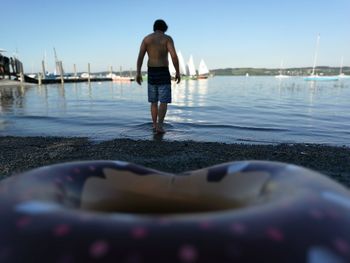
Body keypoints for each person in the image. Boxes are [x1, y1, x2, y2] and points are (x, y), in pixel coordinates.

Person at [136, 19, 180, 134]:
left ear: (154, 27)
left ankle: (154, 125)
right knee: (164, 101)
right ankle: (160, 126)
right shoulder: (167, 39)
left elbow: (140, 57)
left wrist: (138, 72)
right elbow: (174, 56)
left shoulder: (147, 39)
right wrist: (178, 72)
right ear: (164, 28)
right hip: (163, 71)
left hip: (151, 72)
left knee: (153, 101)